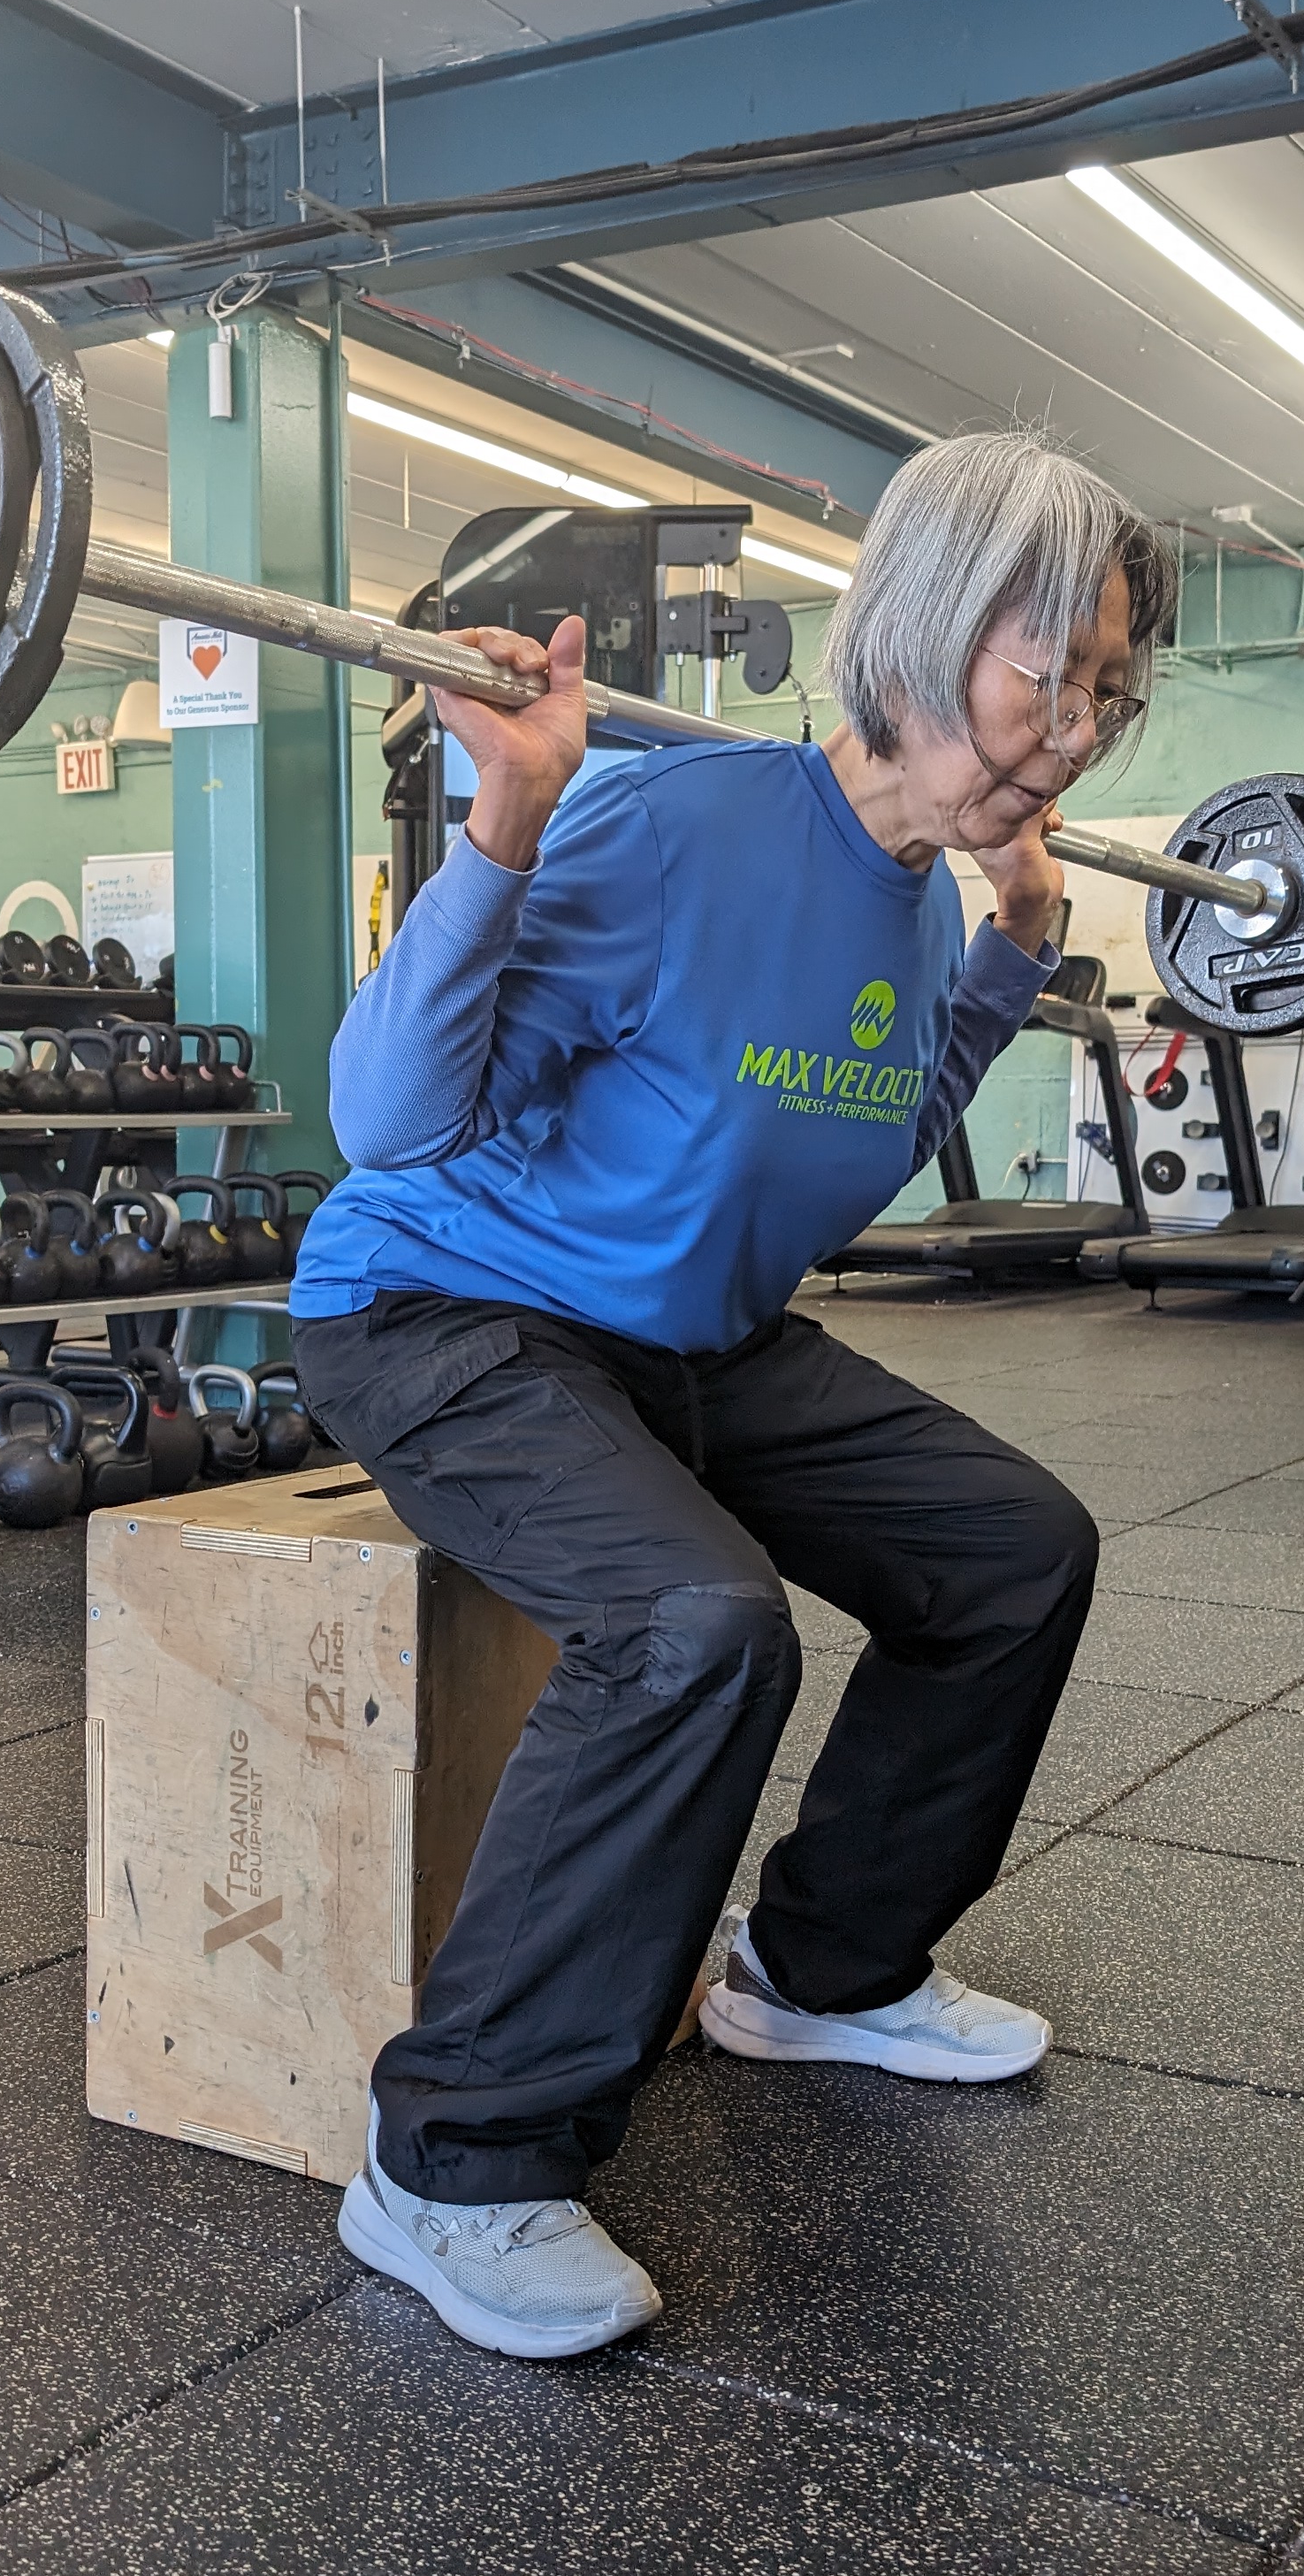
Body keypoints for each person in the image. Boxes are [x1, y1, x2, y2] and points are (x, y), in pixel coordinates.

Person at [291, 430, 1178, 2363]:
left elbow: (867, 1142)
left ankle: (819, 1969)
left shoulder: (920, 896)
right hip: (456, 1306)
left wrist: (1013, 954)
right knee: (696, 1628)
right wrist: (504, 824)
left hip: (693, 1330)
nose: (1082, 733)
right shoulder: (665, 825)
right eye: (1059, 672)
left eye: (1111, 692)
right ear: (933, 629)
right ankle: (452, 2161)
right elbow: (383, 1121)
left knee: (1014, 1553)